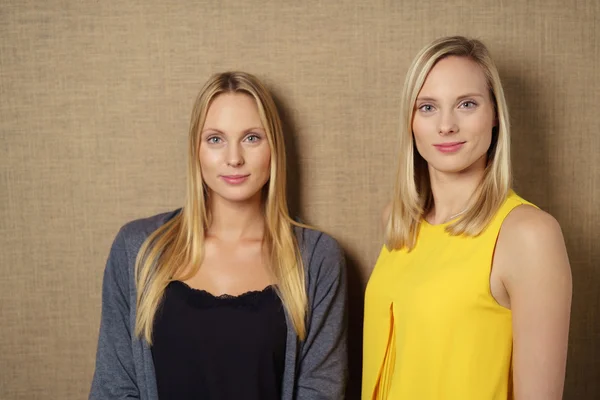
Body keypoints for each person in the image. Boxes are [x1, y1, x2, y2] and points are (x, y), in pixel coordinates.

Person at [90, 71, 347, 400]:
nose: (234, 158)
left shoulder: (317, 258)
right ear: (195, 150)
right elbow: (114, 387)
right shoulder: (137, 248)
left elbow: (320, 390)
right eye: (215, 139)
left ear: (274, 147)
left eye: (252, 137)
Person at [362, 36, 572, 399]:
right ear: (410, 120)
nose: (446, 125)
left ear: (494, 116)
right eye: (427, 107)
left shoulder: (529, 235)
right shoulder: (397, 224)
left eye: (466, 104)